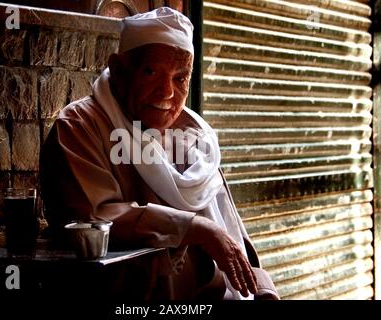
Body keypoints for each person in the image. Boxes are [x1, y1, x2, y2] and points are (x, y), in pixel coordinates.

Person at [40, 7, 279, 300]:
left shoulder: (195, 137)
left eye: (180, 79)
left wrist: (262, 288)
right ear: (118, 69)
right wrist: (193, 228)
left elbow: (231, 235)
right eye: (151, 72)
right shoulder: (79, 127)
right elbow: (93, 219)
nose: (166, 93)